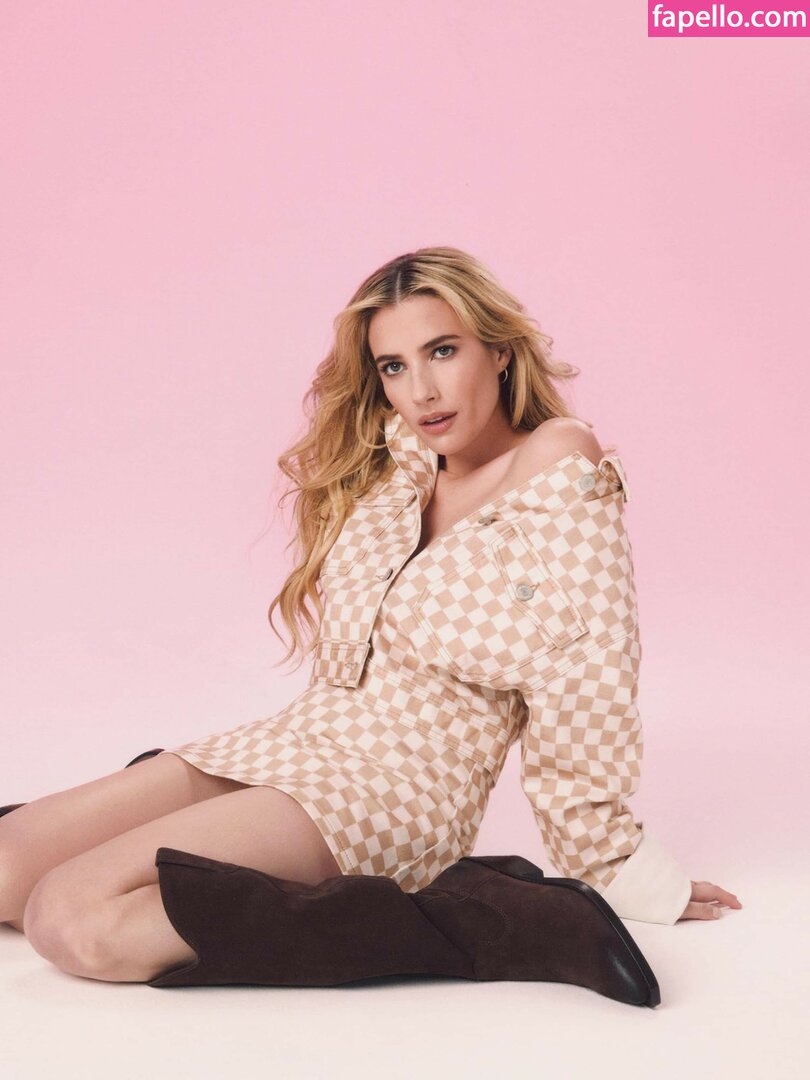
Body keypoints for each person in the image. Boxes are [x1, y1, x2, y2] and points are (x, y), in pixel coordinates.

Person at [0, 246, 741, 992]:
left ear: (500, 351)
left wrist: (608, 859)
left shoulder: (555, 462)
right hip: (297, 741)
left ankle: (476, 921)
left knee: (72, 920)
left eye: (443, 351)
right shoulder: (395, 469)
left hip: (398, 790)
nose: (422, 390)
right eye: (393, 366)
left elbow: (590, 669)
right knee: (8, 870)